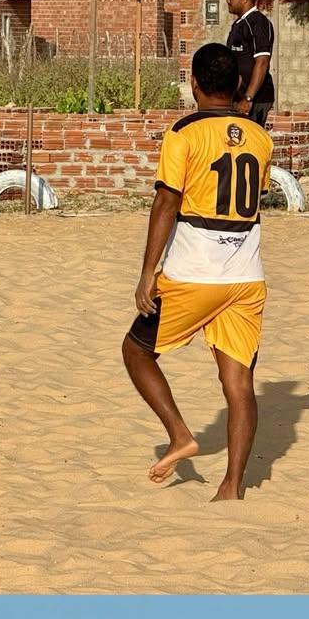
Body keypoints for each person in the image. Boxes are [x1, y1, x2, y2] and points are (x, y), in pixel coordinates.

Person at [122, 42, 274, 502]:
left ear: (193, 84)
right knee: (239, 383)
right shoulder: (260, 136)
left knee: (136, 351)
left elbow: (167, 201)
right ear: (237, 85)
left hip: (193, 273)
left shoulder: (183, 132)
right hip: (245, 276)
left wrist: (147, 271)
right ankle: (231, 488)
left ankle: (180, 435)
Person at [226, 0, 275, 128]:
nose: (228, 1)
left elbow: (262, 62)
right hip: (238, 98)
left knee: (249, 139)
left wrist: (248, 98)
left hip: (254, 100)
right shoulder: (239, 24)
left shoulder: (258, 23)